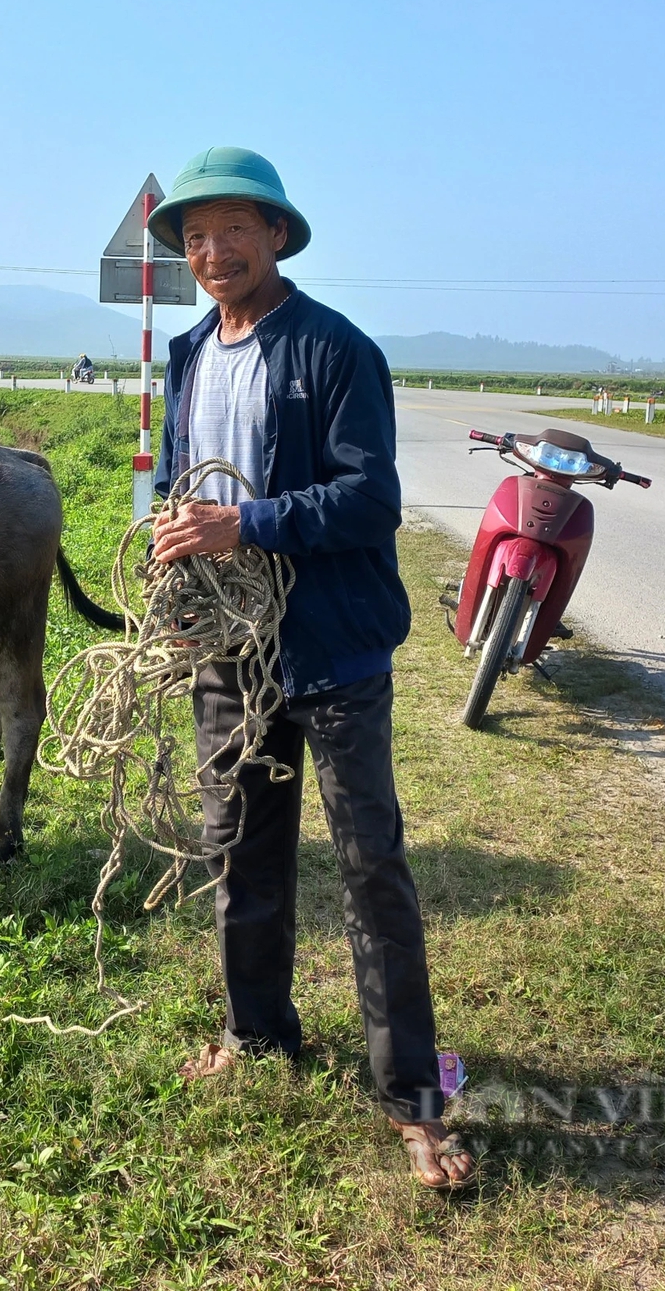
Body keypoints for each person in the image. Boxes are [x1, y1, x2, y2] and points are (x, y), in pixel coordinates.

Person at [147, 146, 472, 1188]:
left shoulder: (334, 350)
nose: (212, 250)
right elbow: (173, 476)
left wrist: (245, 524)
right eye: (194, 235)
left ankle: (414, 1097)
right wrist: (178, 560)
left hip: (329, 647)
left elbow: (369, 501)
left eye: (233, 227)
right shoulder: (189, 351)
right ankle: (256, 1034)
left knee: (368, 864)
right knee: (239, 848)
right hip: (227, 655)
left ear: (277, 235)